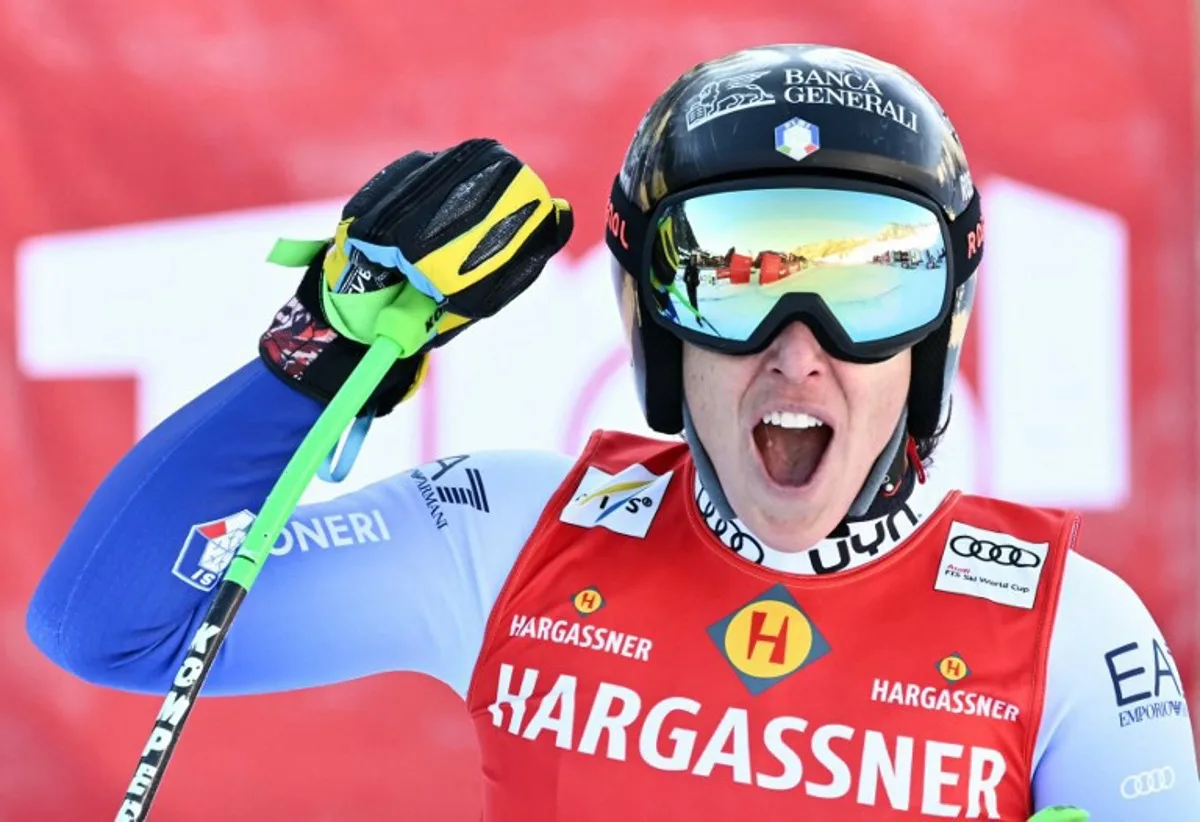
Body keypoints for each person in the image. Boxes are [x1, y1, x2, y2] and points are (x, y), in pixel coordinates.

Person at [26, 44, 1199, 821]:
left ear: (940, 325)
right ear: (650, 317)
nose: (800, 347)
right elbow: (104, 625)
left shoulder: (1070, 634)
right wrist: (319, 347)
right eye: (732, 279)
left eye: (872, 283)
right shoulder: (511, 541)